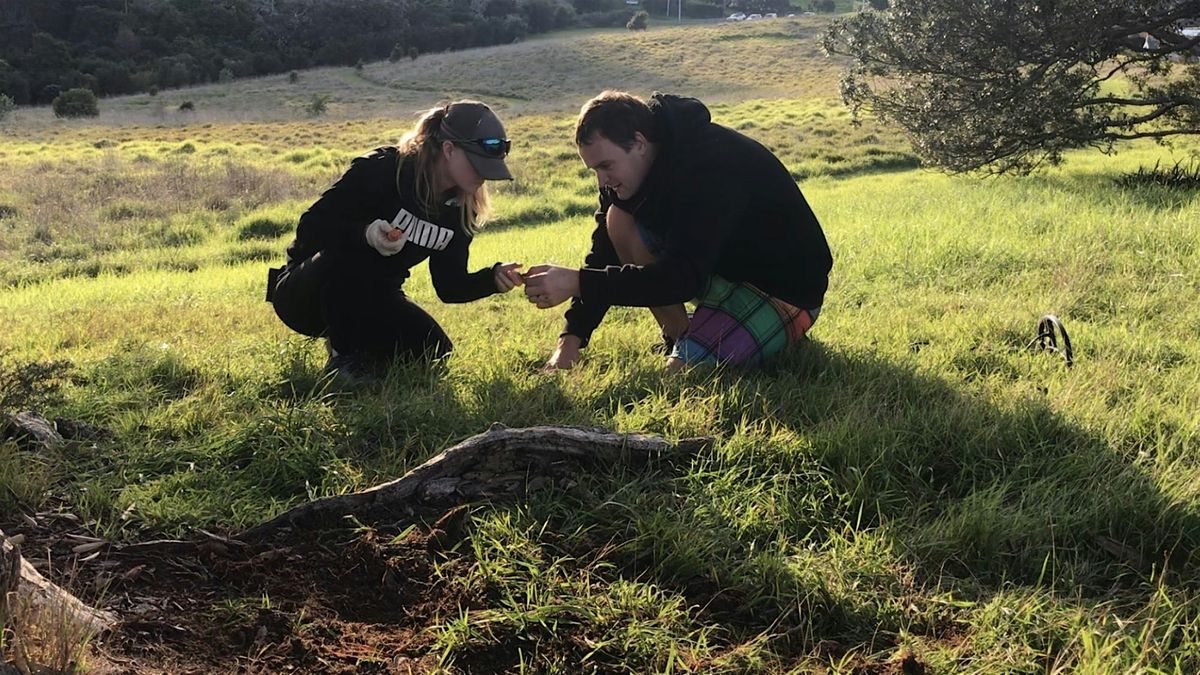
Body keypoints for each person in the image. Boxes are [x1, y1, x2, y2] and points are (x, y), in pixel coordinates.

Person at [523, 91, 833, 371]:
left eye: (606, 166)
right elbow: (605, 253)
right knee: (618, 219)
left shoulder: (709, 164)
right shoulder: (628, 176)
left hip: (782, 290)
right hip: (717, 269)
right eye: (594, 170)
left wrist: (576, 282)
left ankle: (775, 332)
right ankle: (680, 338)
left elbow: (681, 280)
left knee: (680, 375)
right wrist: (571, 340)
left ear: (639, 143)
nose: (601, 181)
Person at [267, 101, 525, 378]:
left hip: (376, 297)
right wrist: (365, 234)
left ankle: (363, 351)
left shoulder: (460, 209)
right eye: (478, 164)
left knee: (434, 351)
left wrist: (493, 279)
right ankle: (344, 358)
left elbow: (449, 287)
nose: (485, 175)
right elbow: (310, 228)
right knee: (350, 258)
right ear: (449, 149)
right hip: (305, 293)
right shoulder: (383, 170)